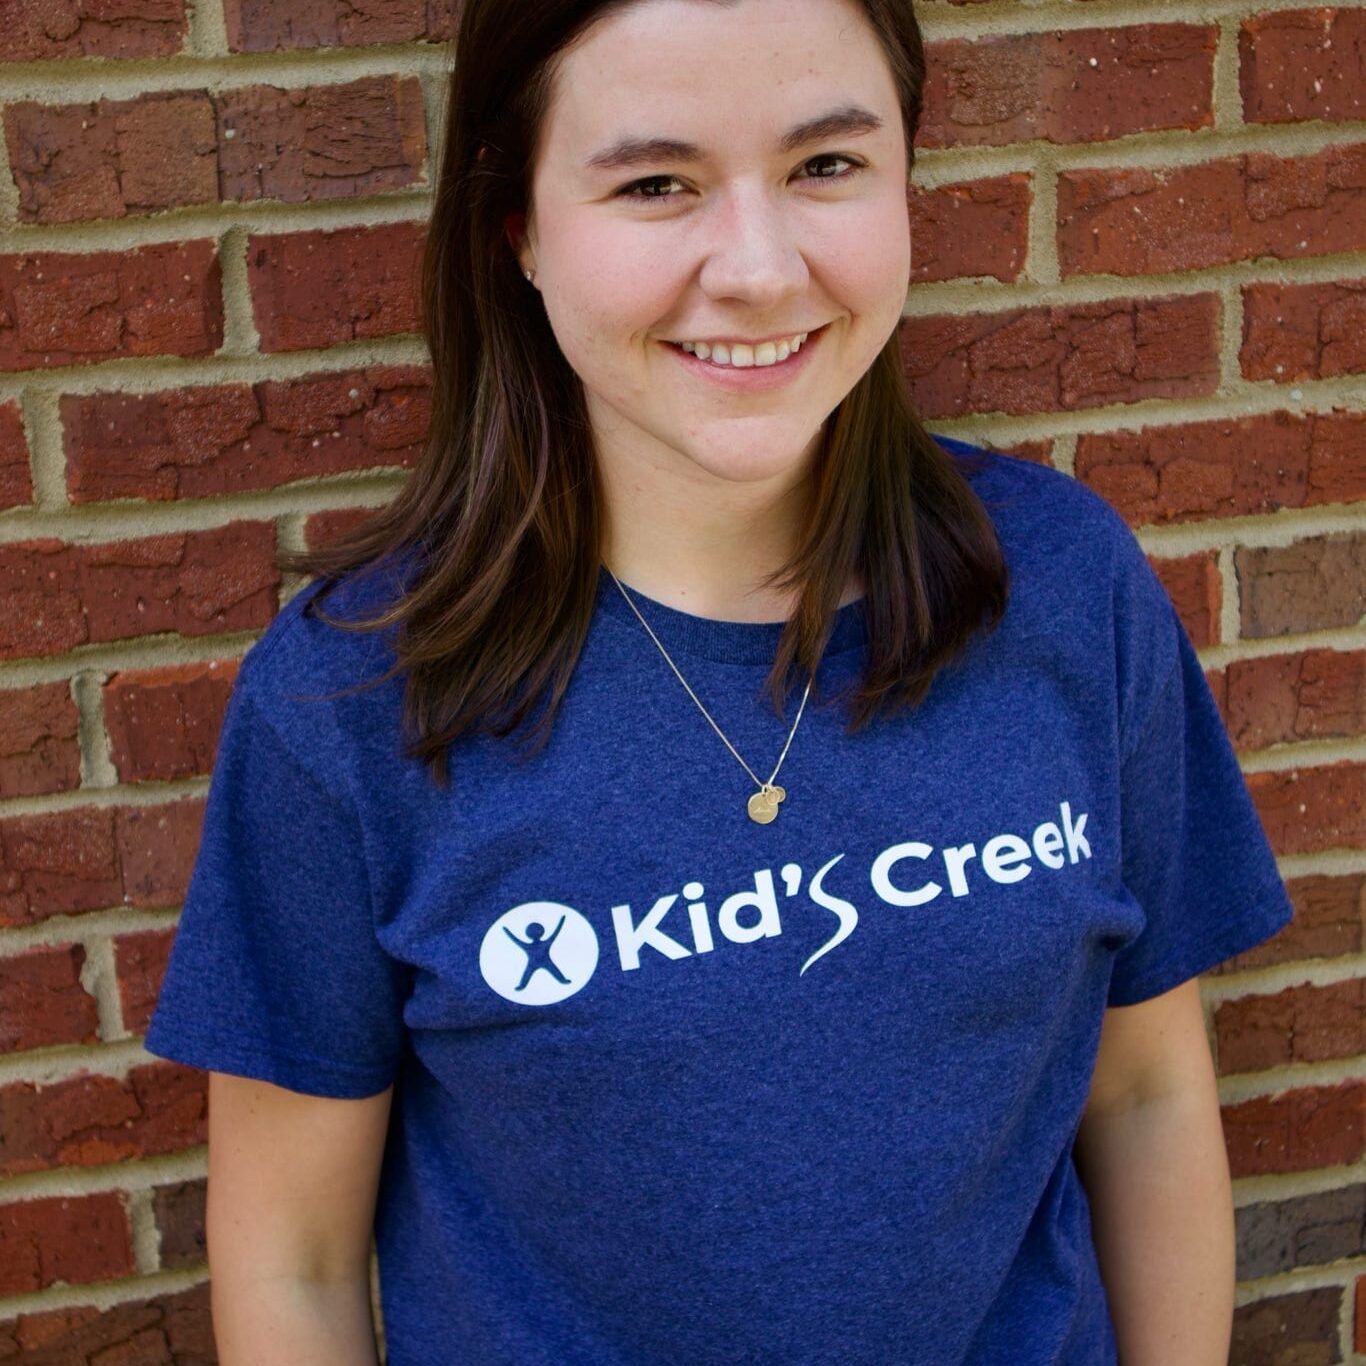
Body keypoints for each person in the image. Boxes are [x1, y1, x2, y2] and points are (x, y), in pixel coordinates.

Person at [143, 0, 1294, 1362]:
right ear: (514, 224)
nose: (755, 268)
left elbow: (1148, 1096)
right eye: (653, 184)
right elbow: (295, 1256)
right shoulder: (351, 703)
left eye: (824, 166)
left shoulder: (1062, 583)